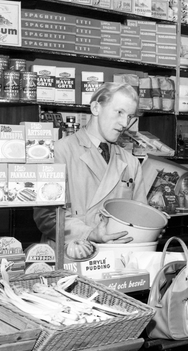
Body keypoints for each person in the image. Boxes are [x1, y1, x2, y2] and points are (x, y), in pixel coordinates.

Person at [33, 82, 147, 254]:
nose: (125, 123)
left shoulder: (131, 162)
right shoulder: (58, 152)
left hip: (116, 259)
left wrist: (150, 224)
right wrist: (90, 234)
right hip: (70, 257)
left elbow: (138, 216)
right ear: (95, 108)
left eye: (130, 116)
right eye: (119, 113)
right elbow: (47, 217)